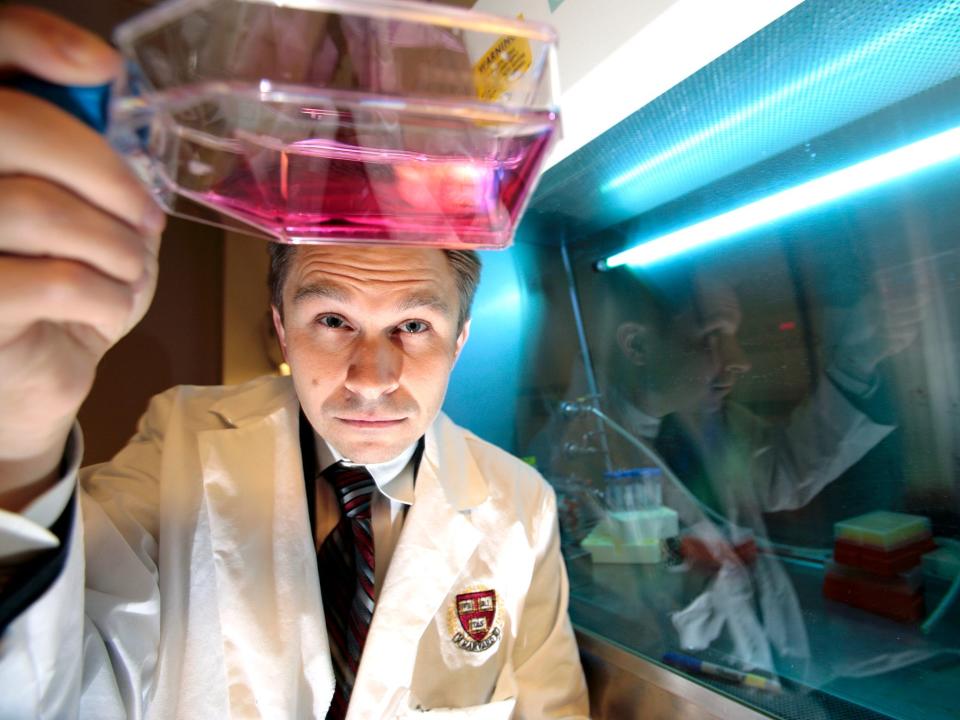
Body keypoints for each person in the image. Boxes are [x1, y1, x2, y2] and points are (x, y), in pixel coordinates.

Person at [0, 6, 588, 718]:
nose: (372, 376)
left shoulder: (521, 506)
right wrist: (16, 440)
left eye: (413, 325)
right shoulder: (180, 442)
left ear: (461, 338)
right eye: (333, 320)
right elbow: (44, 692)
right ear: (282, 328)